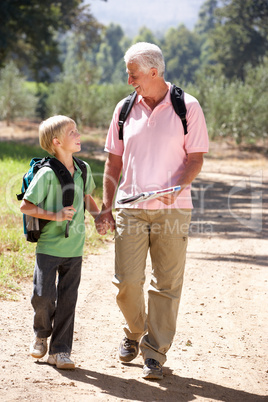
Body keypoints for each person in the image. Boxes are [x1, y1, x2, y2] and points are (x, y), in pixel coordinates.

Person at [95, 42, 209, 380]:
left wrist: (179, 187)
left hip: (174, 211)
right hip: (130, 208)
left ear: (153, 72)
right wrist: (105, 207)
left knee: (167, 283)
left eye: (133, 74)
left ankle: (155, 352)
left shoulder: (187, 106)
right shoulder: (124, 109)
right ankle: (134, 332)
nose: (129, 80)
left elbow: (196, 159)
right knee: (126, 281)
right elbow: (112, 161)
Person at [20, 115, 101, 370]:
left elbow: (88, 198)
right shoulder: (45, 173)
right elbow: (26, 206)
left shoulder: (83, 169)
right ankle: (41, 334)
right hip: (49, 246)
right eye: (72, 132)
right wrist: (55, 215)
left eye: (77, 130)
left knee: (68, 300)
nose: (78, 135)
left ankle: (60, 351)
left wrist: (101, 217)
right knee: (43, 296)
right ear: (56, 142)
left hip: (75, 248)